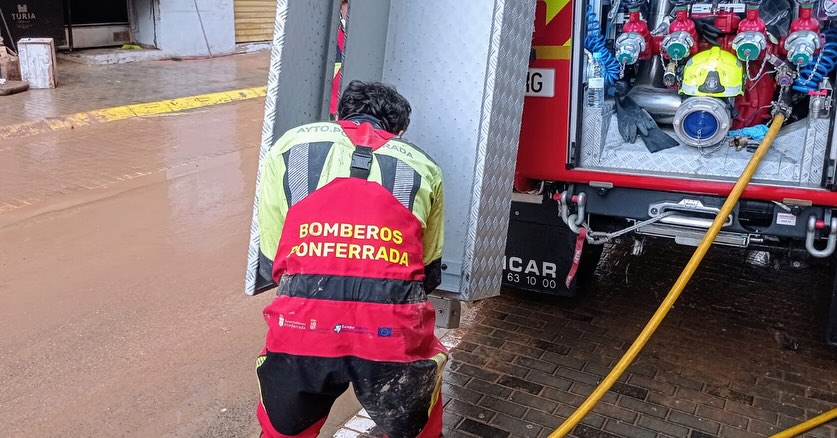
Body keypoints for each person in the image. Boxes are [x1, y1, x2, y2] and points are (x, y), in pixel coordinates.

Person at [255, 80, 447, 438]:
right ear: (400, 131)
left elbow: (270, 258)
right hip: (391, 330)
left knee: (283, 430)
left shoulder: (289, 147)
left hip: (302, 326)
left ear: (340, 116)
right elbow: (429, 270)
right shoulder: (424, 166)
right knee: (418, 428)